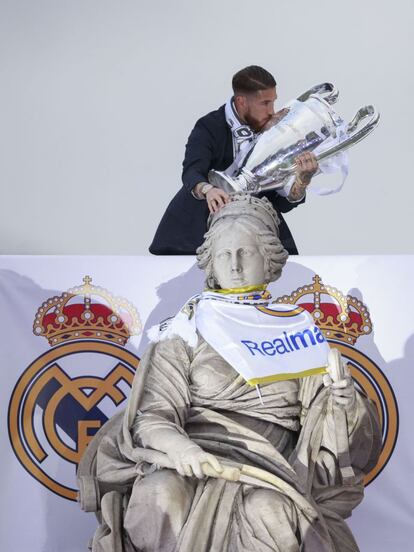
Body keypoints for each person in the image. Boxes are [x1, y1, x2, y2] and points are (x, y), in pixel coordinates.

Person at [79, 194, 381, 552]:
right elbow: (152, 416)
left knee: (269, 510)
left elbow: (327, 425)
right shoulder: (185, 331)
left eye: (246, 252)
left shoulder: (295, 331)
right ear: (211, 263)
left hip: (272, 466)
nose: (235, 265)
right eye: (225, 254)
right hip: (190, 458)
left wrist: (344, 403)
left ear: (268, 259)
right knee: (157, 494)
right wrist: (183, 450)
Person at [149, 65, 319, 256]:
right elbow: (191, 171)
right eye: (265, 103)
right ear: (241, 101)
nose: (272, 111)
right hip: (196, 233)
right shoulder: (210, 126)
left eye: (273, 102)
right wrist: (208, 189)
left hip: (255, 230)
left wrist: (302, 180)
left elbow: (282, 204)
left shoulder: (277, 130)